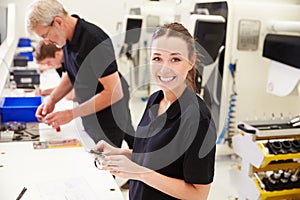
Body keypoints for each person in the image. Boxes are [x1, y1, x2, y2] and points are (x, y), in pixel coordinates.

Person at [94, 22, 216, 200]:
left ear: (191, 61)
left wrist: (139, 173)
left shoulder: (198, 120)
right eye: (157, 58)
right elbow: (151, 154)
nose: (164, 68)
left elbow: (198, 194)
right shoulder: (155, 99)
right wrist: (119, 153)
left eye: (175, 59)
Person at [26, 0, 134, 148]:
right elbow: (71, 74)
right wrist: (52, 99)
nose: (46, 42)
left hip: (108, 118)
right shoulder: (66, 39)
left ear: (58, 22)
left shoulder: (94, 42)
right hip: (90, 115)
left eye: (45, 35)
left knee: (108, 165)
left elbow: (114, 92)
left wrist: (71, 113)